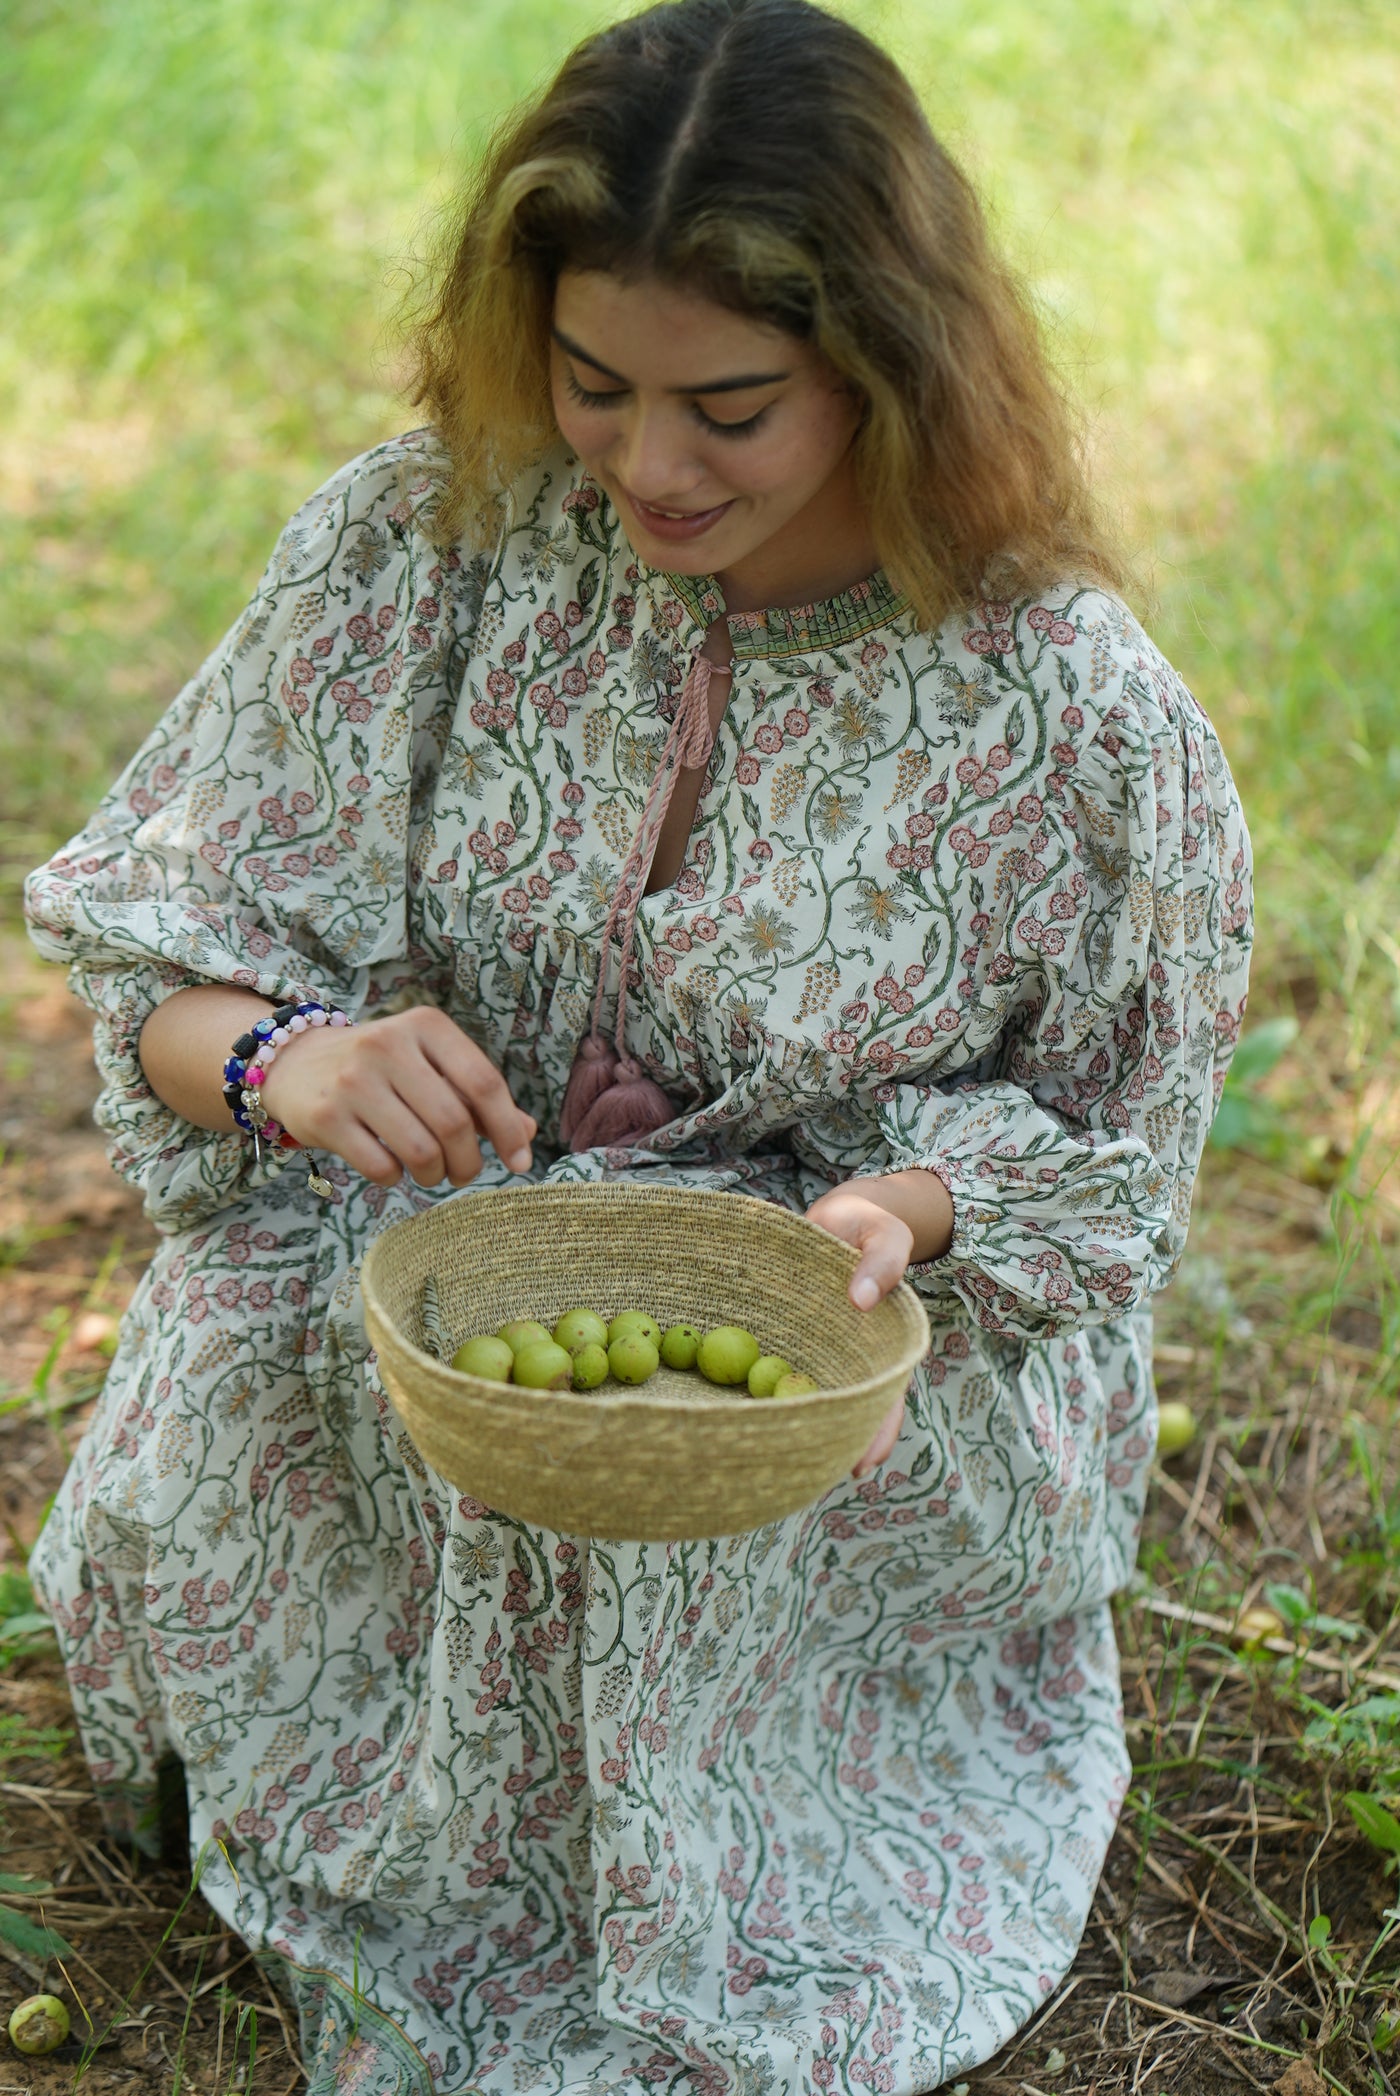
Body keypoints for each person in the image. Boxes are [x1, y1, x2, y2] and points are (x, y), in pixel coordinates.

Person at [23, 0, 1252, 2088]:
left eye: (733, 406)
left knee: (693, 1519)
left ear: (887, 361)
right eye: (596, 386)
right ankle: (298, 1789)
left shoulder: (1066, 710)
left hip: (859, 1348)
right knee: (261, 1351)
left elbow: (1116, 1163)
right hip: (427, 1250)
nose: (650, 465)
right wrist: (289, 1066)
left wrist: (899, 1218)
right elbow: (164, 952)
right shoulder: (431, 541)